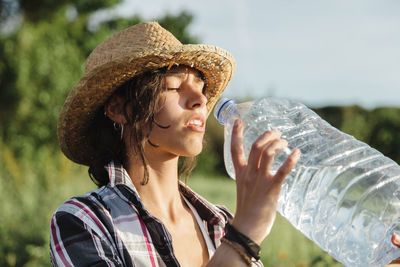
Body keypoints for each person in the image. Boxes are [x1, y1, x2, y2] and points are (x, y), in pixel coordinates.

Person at [50, 22, 400, 267]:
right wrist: (243, 237)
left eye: (201, 87)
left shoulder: (217, 223)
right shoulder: (86, 222)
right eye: (175, 86)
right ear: (120, 109)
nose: (200, 99)